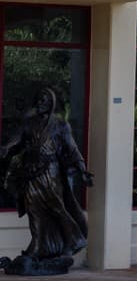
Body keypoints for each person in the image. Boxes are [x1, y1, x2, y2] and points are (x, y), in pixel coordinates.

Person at [0, 88, 93, 260]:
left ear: (51, 103)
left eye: (44, 100)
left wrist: (82, 169)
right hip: (31, 172)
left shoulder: (60, 125)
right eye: (39, 100)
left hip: (51, 172)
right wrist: (7, 147)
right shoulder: (28, 123)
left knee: (56, 207)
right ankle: (37, 245)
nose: (40, 103)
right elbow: (17, 139)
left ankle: (74, 239)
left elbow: (72, 150)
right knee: (32, 208)